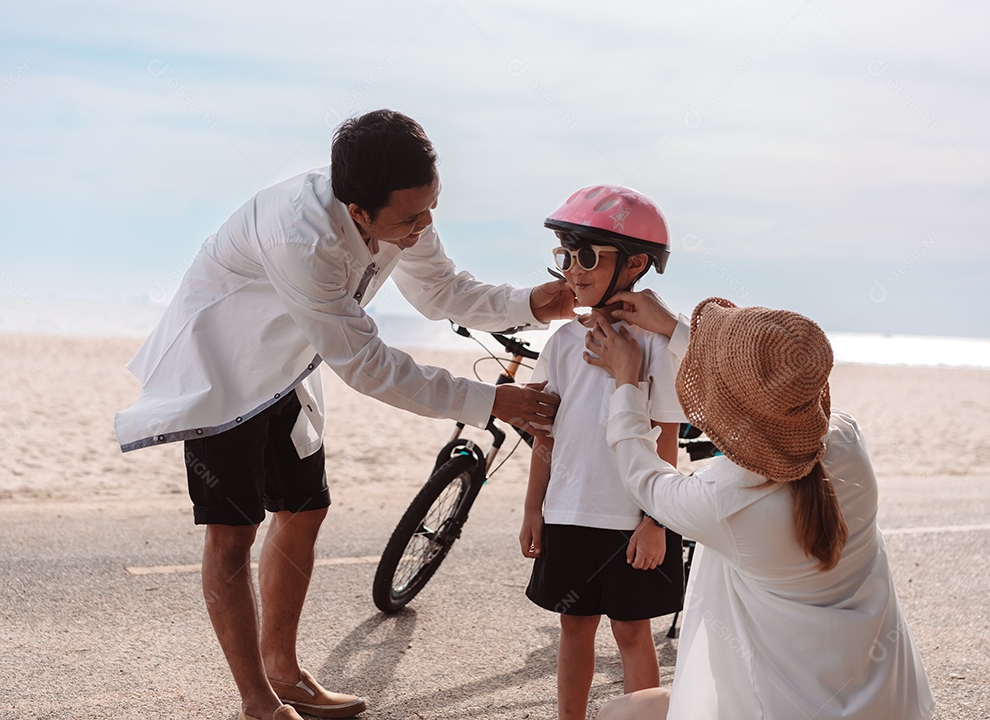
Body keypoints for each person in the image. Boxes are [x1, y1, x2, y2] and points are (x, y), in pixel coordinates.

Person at [114, 109, 575, 720]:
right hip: (220, 370)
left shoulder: (400, 212)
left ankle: (284, 671)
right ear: (359, 211)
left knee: (304, 509)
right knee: (232, 536)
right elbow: (369, 366)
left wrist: (531, 304)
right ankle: (258, 702)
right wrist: (490, 400)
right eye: (411, 217)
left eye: (431, 207)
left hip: (290, 364)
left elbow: (440, 290)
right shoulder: (301, 238)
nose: (423, 226)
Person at [583, 295, 935, 720]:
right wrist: (674, 330)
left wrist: (627, 380)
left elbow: (644, 476)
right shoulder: (846, 441)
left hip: (773, 709)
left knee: (615, 713)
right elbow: (776, 389)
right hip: (887, 703)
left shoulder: (723, 502)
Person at [518, 185, 686, 720]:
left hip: (630, 518)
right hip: (567, 512)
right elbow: (546, 435)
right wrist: (533, 509)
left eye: (586, 256)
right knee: (574, 627)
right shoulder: (563, 344)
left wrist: (654, 521)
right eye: (564, 256)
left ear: (635, 263)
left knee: (632, 631)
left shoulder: (659, 344)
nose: (572, 269)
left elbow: (664, 438)